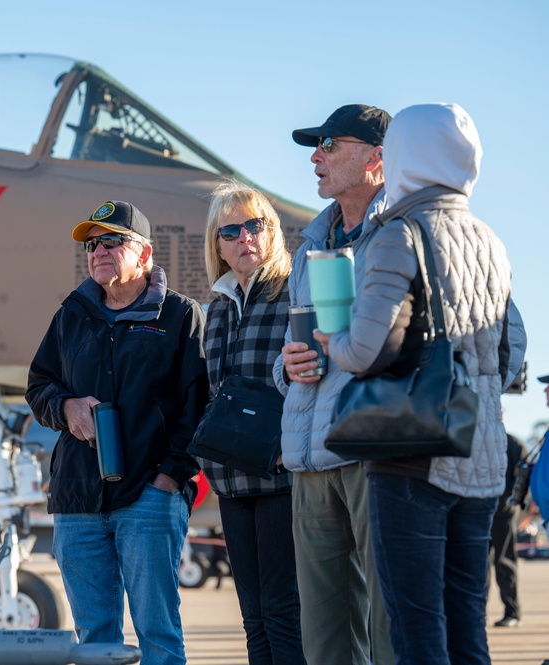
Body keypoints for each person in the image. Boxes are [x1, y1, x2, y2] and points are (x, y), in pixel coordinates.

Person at [316, 103, 524, 663]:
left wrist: (329, 338)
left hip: (413, 453)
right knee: (466, 623)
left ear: (403, 155)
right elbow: (510, 353)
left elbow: (365, 350)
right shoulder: (490, 240)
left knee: (416, 627)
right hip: (479, 449)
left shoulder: (399, 234)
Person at [26, 200, 207, 665]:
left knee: (159, 636)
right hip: (78, 501)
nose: (98, 251)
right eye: (91, 244)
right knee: (95, 641)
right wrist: (65, 407)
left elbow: (199, 406)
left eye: (112, 240)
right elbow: (39, 384)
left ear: (145, 254)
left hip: (149, 498)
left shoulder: (180, 316)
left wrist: (168, 480)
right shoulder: (72, 313)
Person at [273, 104, 395, 665]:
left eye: (329, 144)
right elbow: (291, 349)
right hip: (310, 458)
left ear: (376, 158)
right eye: (315, 147)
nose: (316, 158)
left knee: (392, 626)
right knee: (325, 638)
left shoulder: (407, 231)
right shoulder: (309, 247)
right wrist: (288, 365)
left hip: (376, 449)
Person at [196, 181, 304, 664]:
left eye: (254, 226)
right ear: (217, 245)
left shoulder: (292, 292)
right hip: (230, 478)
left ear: (271, 231)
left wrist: (290, 442)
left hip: (280, 474)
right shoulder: (217, 308)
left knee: (284, 613)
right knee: (253, 617)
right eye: (231, 231)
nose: (245, 238)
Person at [489, 433, 525, 628]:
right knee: (477, 566)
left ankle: (512, 611)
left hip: (504, 514)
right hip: (477, 512)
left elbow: (523, 478)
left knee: (505, 563)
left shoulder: (514, 444)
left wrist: (508, 500)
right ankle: (476, 613)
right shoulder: (479, 438)